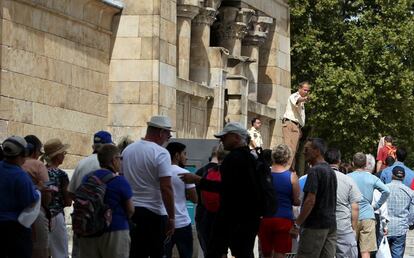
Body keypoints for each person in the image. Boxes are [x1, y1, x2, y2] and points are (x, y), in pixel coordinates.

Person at [180, 122, 263, 258]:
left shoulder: (233, 158)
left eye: (225, 137)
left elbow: (226, 189)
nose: (221, 140)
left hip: (231, 217)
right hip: (250, 218)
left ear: (236, 137)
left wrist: (198, 180)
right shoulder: (252, 158)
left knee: (215, 251)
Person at [122, 115, 175, 258]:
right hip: (154, 213)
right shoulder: (161, 153)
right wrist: (172, 217)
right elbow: (166, 188)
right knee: (156, 252)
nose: (169, 136)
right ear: (160, 133)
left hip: (131, 210)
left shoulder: (127, 150)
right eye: (168, 133)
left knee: (134, 253)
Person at [78, 144, 134, 258]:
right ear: (114, 160)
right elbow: (130, 210)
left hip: (89, 229)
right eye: (120, 158)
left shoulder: (87, 178)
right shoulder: (120, 181)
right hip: (115, 230)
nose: (121, 162)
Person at [68, 130, 114, 258]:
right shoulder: (107, 165)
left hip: (82, 219)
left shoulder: (82, 163)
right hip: (102, 223)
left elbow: (71, 193)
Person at [291, 138, 337, 258]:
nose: (303, 152)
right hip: (330, 225)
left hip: (315, 226)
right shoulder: (330, 171)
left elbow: (310, 201)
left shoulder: (314, 171)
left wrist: (297, 224)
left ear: (316, 151)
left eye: (307, 149)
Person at [0, 136, 40, 258]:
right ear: (23, 153)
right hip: (15, 229)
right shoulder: (20, 176)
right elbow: (30, 201)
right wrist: (38, 191)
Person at [258, 144, 300, 258]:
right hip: (284, 219)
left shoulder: (264, 175)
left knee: (266, 254)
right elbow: (297, 201)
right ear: (288, 158)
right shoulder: (292, 177)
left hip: (265, 218)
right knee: (280, 253)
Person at [347, 152, 390, 258]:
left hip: (350, 216)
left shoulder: (347, 178)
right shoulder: (371, 178)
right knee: (365, 251)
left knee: (350, 249)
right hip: (368, 216)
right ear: (365, 164)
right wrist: (376, 206)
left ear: (353, 163)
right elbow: (386, 191)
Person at [325, 148, 361, 258]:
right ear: (339, 161)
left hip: (322, 225)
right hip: (342, 226)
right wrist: (353, 228)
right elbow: (355, 207)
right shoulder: (348, 180)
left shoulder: (316, 177)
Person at [165, 142, 197, 258]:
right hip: (183, 222)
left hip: (165, 222)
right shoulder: (184, 173)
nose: (186, 157)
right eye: (184, 153)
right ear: (177, 155)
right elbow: (194, 199)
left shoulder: (161, 172)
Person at [22, 135, 52, 258]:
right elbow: (47, 193)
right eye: (39, 151)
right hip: (35, 212)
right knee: (40, 252)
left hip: (16, 214)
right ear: (34, 150)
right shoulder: (38, 165)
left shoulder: (13, 164)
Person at [42, 138, 72, 258]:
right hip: (56, 217)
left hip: (40, 216)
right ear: (57, 156)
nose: (64, 155)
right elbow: (68, 201)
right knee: (60, 253)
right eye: (63, 153)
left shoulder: (40, 170)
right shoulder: (61, 174)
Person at [386, 166, 414, 258]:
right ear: (404, 177)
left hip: (385, 228)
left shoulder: (384, 189)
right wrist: (409, 224)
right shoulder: (409, 192)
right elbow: (412, 212)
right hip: (400, 229)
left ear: (392, 175)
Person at [282, 81, 311, 166]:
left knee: (293, 150)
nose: (306, 92)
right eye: (305, 90)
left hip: (296, 126)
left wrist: (299, 128)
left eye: (308, 91)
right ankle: (284, 170)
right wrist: (305, 99)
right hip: (290, 124)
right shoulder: (295, 95)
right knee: (288, 149)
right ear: (299, 89)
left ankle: (289, 170)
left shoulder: (302, 102)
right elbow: (297, 100)